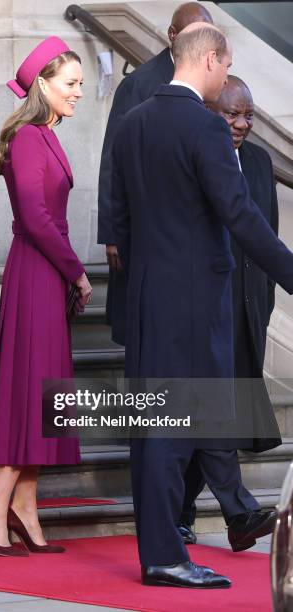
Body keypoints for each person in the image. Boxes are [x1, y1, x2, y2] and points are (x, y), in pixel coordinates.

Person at [112, 22, 293, 588]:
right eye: (225, 64)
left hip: (146, 296)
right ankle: (166, 557)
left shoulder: (134, 121)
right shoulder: (204, 128)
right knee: (173, 428)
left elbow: (123, 215)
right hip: (192, 304)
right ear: (211, 60)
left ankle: (160, 550)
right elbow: (241, 216)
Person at [98, 1, 214, 545]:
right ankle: (165, 521)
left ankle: (180, 512)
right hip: (147, 261)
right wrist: (113, 231)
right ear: (172, 36)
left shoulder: (211, 92)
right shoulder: (139, 87)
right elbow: (112, 163)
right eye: (193, 31)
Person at [0, 37, 92, 557]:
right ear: (42, 84)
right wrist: (77, 273)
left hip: (47, 274)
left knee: (44, 393)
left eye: (81, 84)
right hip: (36, 273)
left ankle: (25, 506)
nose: (79, 93)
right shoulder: (27, 136)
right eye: (70, 84)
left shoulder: (44, 135)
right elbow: (37, 217)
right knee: (31, 391)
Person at [180, 76, 282, 527]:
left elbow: (268, 237)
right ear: (208, 111)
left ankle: (216, 512)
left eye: (249, 115)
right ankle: (210, 511)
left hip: (248, 310)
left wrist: (264, 302)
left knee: (224, 414)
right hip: (207, 310)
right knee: (209, 413)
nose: (241, 124)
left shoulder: (259, 162)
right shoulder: (194, 157)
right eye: (231, 114)